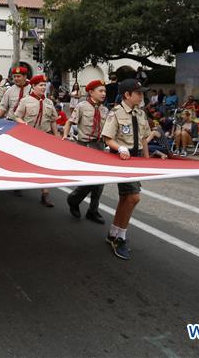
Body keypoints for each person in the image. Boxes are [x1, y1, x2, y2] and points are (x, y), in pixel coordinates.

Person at [101, 78, 150, 260]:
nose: (141, 96)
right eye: (138, 93)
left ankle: (113, 233)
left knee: (125, 198)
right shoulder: (116, 112)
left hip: (136, 158)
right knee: (133, 197)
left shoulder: (140, 113)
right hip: (122, 158)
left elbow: (144, 138)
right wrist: (119, 147)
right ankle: (120, 237)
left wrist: (147, 161)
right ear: (127, 95)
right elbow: (107, 138)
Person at [64, 80, 109, 223]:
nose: (104, 93)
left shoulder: (104, 110)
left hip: (100, 146)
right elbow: (70, 122)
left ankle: (93, 210)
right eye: (100, 91)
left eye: (104, 91)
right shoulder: (82, 106)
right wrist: (65, 135)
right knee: (90, 180)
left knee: (101, 181)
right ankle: (74, 199)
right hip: (85, 145)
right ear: (91, 92)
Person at [14, 75, 58, 206]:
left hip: (44, 137)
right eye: (40, 85)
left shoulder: (49, 103)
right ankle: (18, 183)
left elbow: (53, 120)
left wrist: (56, 135)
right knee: (24, 162)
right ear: (33, 87)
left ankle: (45, 194)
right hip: (27, 138)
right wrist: (23, 124)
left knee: (43, 165)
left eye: (45, 85)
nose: (43, 87)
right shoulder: (25, 101)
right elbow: (17, 116)